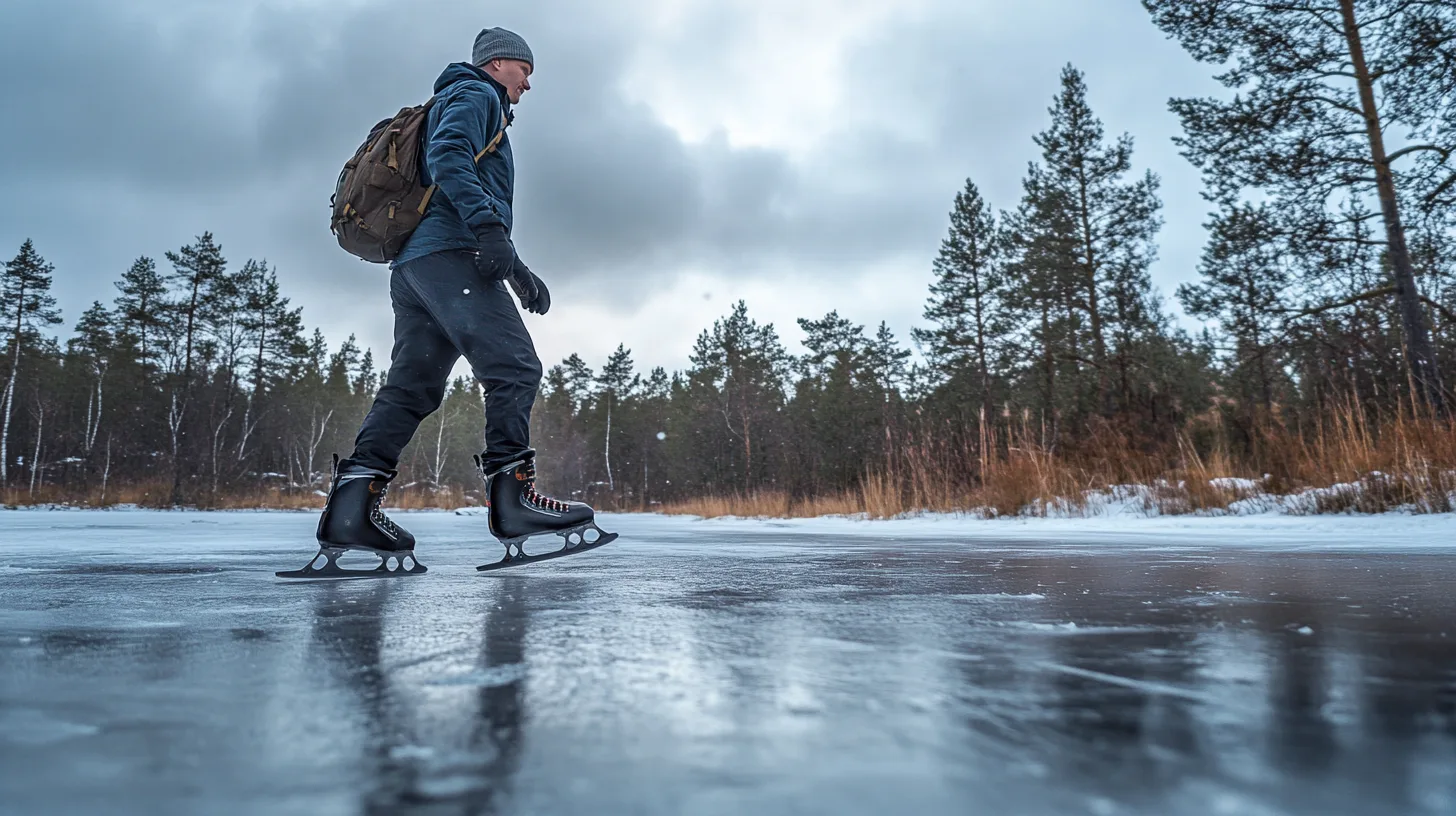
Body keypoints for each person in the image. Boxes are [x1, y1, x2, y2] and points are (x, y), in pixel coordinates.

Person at [304, 27, 611, 575]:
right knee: (514, 367)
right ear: (497, 65)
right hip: (450, 257)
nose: (528, 85)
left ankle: (351, 509)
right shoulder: (477, 95)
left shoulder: (455, 98)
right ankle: (514, 502)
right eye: (525, 71)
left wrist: (515, 268)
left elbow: (448, 181)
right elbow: (450, 159)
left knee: (412, 387)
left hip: (415, 268)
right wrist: (492, 234)